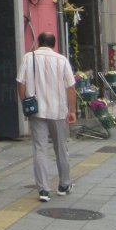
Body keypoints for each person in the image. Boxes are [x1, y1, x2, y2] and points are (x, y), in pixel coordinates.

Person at [17, 32, 77, 202]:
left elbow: (20, 82)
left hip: (36, 111)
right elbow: (70, 87)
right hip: (58, 111)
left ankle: (43, 189)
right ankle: (64, 184)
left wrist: (24, 103)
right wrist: (72, 110)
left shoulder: (29, 58)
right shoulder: (62, 60)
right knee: (61, 148)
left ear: (38, 42)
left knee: (40, 149)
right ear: (54, 44)